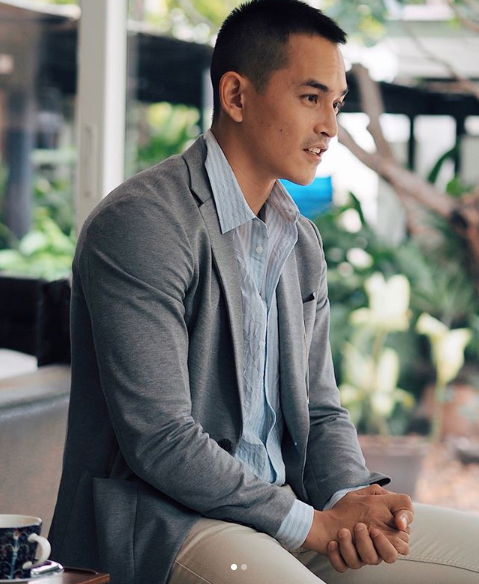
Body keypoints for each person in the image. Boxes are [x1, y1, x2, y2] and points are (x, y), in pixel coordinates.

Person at [49, 1, 479, 583]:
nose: (330, 126)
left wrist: (351, 499)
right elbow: (161, 440)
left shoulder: (300, 241)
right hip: (169, 522)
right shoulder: (143, 223)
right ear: (235, 95)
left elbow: (320, 409)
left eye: (336, 103)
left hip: (287, 510)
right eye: (310, 98)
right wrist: (309, 524)